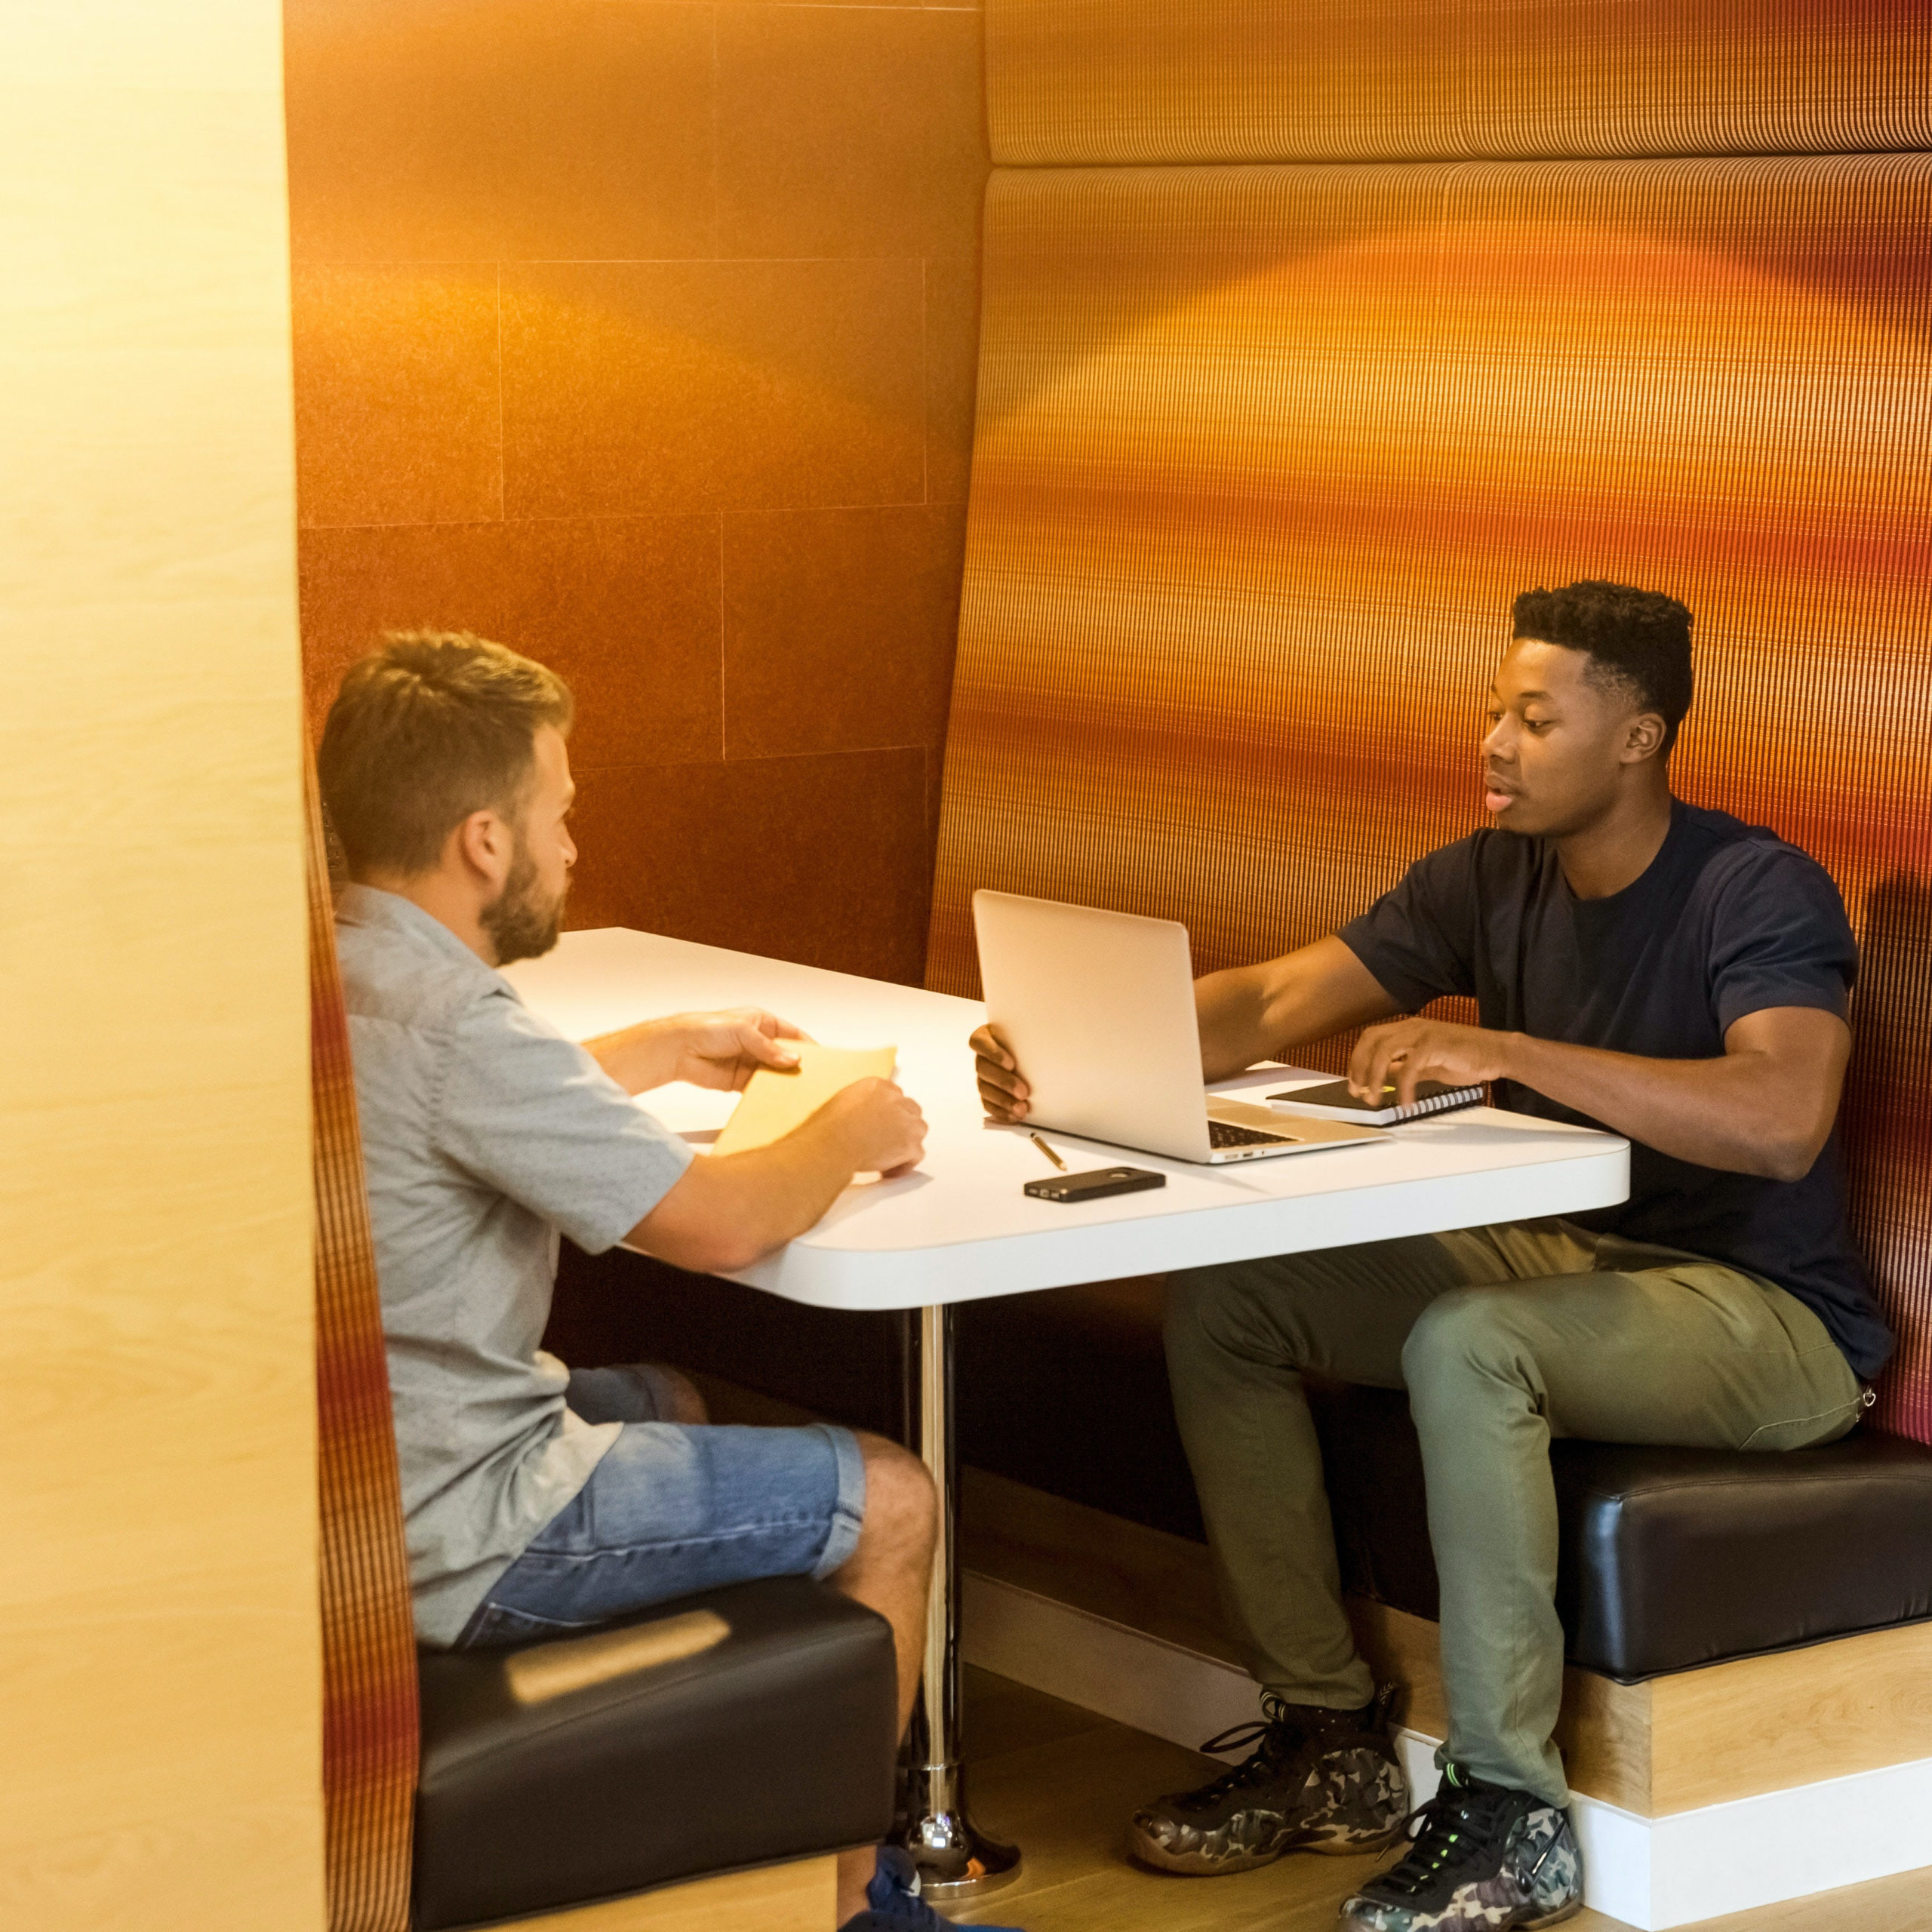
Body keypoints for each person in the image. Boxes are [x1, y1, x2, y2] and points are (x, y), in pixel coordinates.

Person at [971, 580, 1890, 1932]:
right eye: (1492, 710)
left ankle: (1514, 1814)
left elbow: (1780, 1118)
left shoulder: (1752, 888)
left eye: (1535, 717)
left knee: (1469, 1343)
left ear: (1637, 739)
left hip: (1764, 1317)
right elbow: (1280, 997)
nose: (1495, 743)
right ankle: (1334, 1740)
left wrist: (1510, 1052)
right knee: (1237, 1303)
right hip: (1570, 1253)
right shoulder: (1490, 873)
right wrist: (1078, 1042)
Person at [321, 631, 1019, 1932]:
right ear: (485, 840)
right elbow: (719, 1226)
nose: (572, 849)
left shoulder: (335, 970)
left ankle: (719, 1835)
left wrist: (652, 1048)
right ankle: (867, 1905)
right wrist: (847, 1131)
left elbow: (461, 1101)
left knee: (668, 1396)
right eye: (559, 816)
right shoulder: (461, 1021)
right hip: (461, 1520)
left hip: (355, 1480)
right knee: (891, 1495)